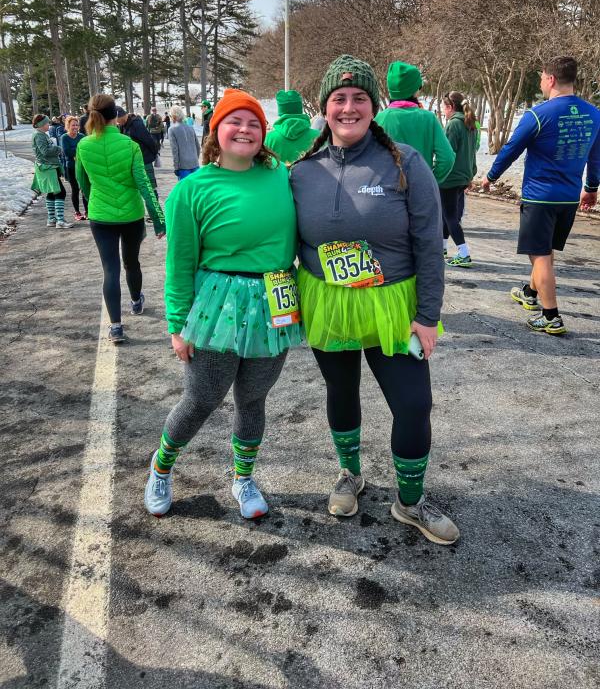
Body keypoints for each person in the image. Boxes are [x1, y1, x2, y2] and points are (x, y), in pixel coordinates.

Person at [289, 54, 459, 546]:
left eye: (358, 98)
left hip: (394, 307)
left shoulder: (405, 160)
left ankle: (410, 501)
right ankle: (350, 474)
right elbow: (280, 241)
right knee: (341, 393)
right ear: (324, 107)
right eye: (338, 99)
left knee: (413, 404)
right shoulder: (302, 171)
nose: (348, 107)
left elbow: (430, 241)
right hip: (330, 304)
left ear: (374, 105)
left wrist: (428, 316)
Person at [144, 88, 302, 520]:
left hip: (275, 301)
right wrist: (177, 325)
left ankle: (243, 477)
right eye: (235, 121)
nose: (245, 129)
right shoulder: (191, 190)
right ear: (216, 130)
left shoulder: (283, 176)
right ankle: (161, 467)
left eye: (254, 123)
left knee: (253, 400)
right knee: (201, 399)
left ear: (263, 134)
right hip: (218, 306)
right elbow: (179, 264)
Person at [482, 56, 600, 334]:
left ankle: (551, 316)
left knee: (540, 254)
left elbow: (512, 148)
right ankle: (530, 293)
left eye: (541, 78)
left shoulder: (538, 115)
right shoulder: (594, 114)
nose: (540, 83)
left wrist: (490, 176)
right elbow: (596, 157)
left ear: (551, 79)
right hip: (569, 197)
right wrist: (592, 188)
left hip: (540, 197)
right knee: (545, 251)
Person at [76, 94, 166, 343]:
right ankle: (136, 301)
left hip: (100, 216)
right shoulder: (129, 145)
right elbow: (145, 185)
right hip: (131, 216)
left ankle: (115, 326)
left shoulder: (83, 145)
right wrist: (159, 219)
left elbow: (82, 182)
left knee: (110, 269)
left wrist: (95, 199)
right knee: (131, 262)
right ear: (115, 114)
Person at [375, 61, 455, 184]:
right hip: (421, 191)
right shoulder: (429, 119)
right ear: (414, 90)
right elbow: (447, 158)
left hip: (388, 193)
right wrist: (431, 181)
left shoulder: (378, 120)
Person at [439, 91, 478, 267]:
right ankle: (442, 248)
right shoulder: (470, 123)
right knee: (448, 215)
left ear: (450, 107)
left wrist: (436, 173)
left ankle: (464, 253)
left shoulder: (453, 124)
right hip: (463, 176)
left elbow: (447, 154)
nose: (443, 112)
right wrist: (471, 174)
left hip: (450, 177)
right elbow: (472, 154)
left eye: (443, 108)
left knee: (449, 216)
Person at [30, 114, 74, 229]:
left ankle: (51, 219)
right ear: (41, 125)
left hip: (47, 167)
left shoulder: (41, 134)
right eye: (46, 123)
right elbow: (44, 151)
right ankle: (60, 221)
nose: (48, 125)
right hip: (47, 167)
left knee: (51, 192)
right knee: (60, 192)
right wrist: (58, 149)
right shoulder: (39, 136)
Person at [264, 89, 320, 165]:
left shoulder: (269, 139)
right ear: (300, 109)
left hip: (281, 177)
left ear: (280, 111)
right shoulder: (318, 137)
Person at [116, 107, 160, 198]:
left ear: (123, 116)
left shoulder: (136, 124)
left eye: (118, 120)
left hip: (144, 160)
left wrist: (154, 154)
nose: (117, 122)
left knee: (150, 190)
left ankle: (156, 211)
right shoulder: (122, 126)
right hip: (132, 162)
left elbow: (148, 140)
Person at [60, 116, 87, 220]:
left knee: (84, 188)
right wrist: (77, 152)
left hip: (82, 166)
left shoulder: (82, 136)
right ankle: (77, 212)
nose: (75, 127)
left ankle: (87, 211)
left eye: (77, 125)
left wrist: (76, 153)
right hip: (71, 167)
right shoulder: (64, 137)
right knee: (75, 189)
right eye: (73, 125)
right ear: (68, 126)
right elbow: (67, 152)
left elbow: (85, 150)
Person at [168, 105, 200, 180]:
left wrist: (176, 167)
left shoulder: (172, 129)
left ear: (173, 116)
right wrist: (195, 158)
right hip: (195, 164)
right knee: (196, 189)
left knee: (185, 190)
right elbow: (198, 146)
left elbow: (175, 150)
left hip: (183, 166)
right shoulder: (190, 128)